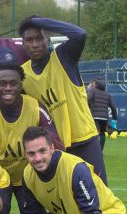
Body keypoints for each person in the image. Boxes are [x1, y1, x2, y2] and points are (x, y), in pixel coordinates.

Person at [0, 63, 64, 214]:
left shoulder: (35, 106)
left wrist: (56, 165)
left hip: (28, 176)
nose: (8, 88)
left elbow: (54, 141)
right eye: (3, 84)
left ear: (21, 85)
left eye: (13, 83)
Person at [18, 16, 108, 185]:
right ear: (23, 44)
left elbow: (80, 34)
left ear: (48, 40)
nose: (35, 44)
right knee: (68, 200)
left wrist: (39, 21)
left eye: (39, 38)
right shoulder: (23, 74)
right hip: (56, 147)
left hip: (85, 139)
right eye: (29, 40)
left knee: (100, 195)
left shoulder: (63, 56)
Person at [10, 126, 126, 214]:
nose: (38, 158)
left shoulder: (75, 170)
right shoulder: (27, 175)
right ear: (25, 154)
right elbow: (32, 213)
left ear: (52, 148)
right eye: (31, 153)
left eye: (42, 151)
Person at [87, 78, 118, 150]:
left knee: (94, 134)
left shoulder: (92, 91)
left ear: (96, 85)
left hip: (94, 117)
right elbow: (113, 107)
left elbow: (87, 100)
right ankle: (100, 151)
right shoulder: (107, 94)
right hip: (104, 118)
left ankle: (94, 150)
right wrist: (115, 118)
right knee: (102, 134)